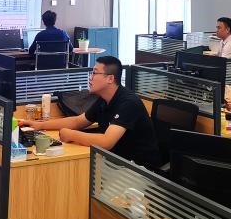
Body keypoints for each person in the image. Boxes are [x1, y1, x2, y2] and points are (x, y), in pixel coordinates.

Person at [21, 56, 160, 168]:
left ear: (110, 78)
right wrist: (39, 125)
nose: (90, 77)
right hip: (116, 162)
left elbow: (107, 142)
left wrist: (71, 134)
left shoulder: (128, 103)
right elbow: (78, 121)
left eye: (94, 73)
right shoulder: (104, 99)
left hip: (138, 170)